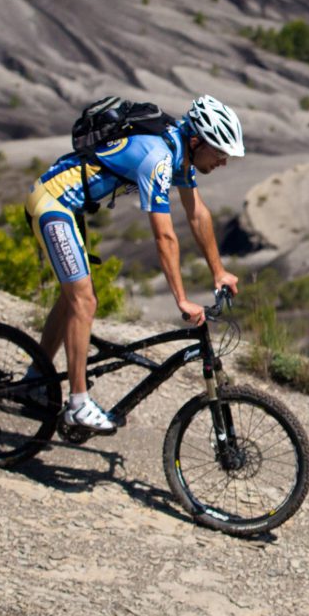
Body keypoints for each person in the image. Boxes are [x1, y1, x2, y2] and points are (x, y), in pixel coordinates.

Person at [26, 95, 244, 433]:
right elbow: (164, 236)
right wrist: (181, 300)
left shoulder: (179, 152)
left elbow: (197, 214)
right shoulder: (158, 158)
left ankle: (36, 380)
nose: (224, 162)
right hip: (52, 203)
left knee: (74, 299)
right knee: (84, 301)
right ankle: (78, 404)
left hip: (67, 207)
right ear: (198, 141)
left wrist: (219, 270)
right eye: (220, 152)